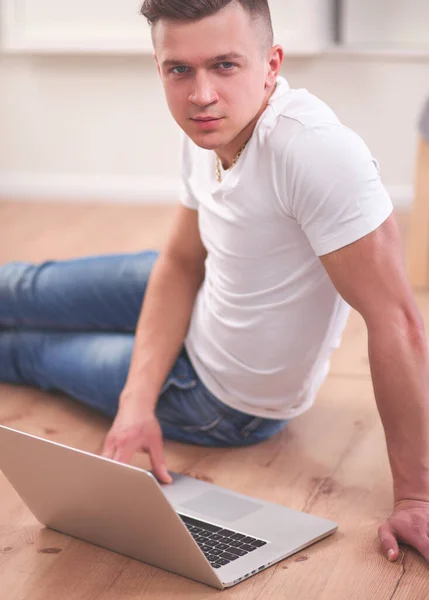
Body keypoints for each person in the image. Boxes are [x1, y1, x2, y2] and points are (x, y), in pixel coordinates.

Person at [1, 0, 429, 566]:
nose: (201, 93)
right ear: (160, 68)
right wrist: (135, 398)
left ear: (271, 63)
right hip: (207, 291)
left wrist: (417, 496)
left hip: (222, 396)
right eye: (179, 69)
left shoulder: (316, 152)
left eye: (225, 65)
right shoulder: (207, 124)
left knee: (26, 352)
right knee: (22, 287)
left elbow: (394, 318)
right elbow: (180, 262)